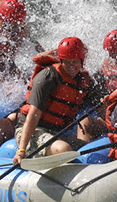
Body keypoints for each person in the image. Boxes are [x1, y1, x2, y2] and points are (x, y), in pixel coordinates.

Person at [12, 37, 105, 165]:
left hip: (56, 133)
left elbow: (99, 107)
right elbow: (33, 115)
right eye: (67, 62)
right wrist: (21, 150)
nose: (71, 66)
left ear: (82, 61)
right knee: (64, 149)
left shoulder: (83, 80)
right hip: (32, 131)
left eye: (75, 62)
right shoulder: (48, 76)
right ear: (61, 61)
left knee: (87, 149)